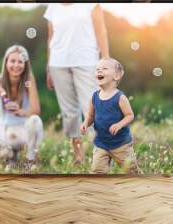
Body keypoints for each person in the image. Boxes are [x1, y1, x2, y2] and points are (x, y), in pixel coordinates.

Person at [44, 3, 109, 164]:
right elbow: (50, 38)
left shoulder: (92, 5)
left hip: (86, 62)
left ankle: (102, 155)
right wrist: (48, 67)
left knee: (92, 108)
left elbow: (101, 33)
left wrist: (106, 62)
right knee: (69, 112)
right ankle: (78, 156)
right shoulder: (53, 7)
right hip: (58, 64)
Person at [0, 45, 43, 167]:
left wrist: (21, 111)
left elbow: (36, 110)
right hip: (4, 134)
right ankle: (11, 157)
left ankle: (30, 159)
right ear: (6, 62)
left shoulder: (29, 80)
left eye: (20, 62)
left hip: (24, 133)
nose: (16, 65)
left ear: (25, 64)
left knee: (35, 120)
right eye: (12, 61)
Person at [80, 58, 141, 174]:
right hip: (101, 144)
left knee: (131, 172)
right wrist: (85, 123)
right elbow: (90, 115)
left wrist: (119, 124)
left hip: (121, 145)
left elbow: (130, 115)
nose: (99, 71)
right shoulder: (94, 97)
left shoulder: (120, 97)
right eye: (97, 69)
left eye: (104, 68)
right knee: (97, 172)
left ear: (116, 76)